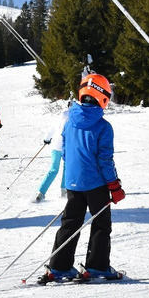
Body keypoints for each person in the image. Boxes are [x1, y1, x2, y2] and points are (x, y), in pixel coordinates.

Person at [41, 73, 124, 283]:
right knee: (101, 224)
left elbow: (67, 153)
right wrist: (114, 186)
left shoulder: (70, 122)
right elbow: (105, 160)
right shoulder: (103, 127)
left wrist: (70, 177)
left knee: (70, 223)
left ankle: (59, 267)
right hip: (96, 184)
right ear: (102, 96)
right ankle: (97, 266)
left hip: (73, 182)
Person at [33, 103, 71, 202]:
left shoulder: (60, 117)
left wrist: (47, 139)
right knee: (66, 168)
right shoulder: (74, 118)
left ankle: (40, 192)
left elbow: (52, 129)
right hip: (67, 147)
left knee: (53, 170)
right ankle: (64, 190)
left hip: (55, 147)